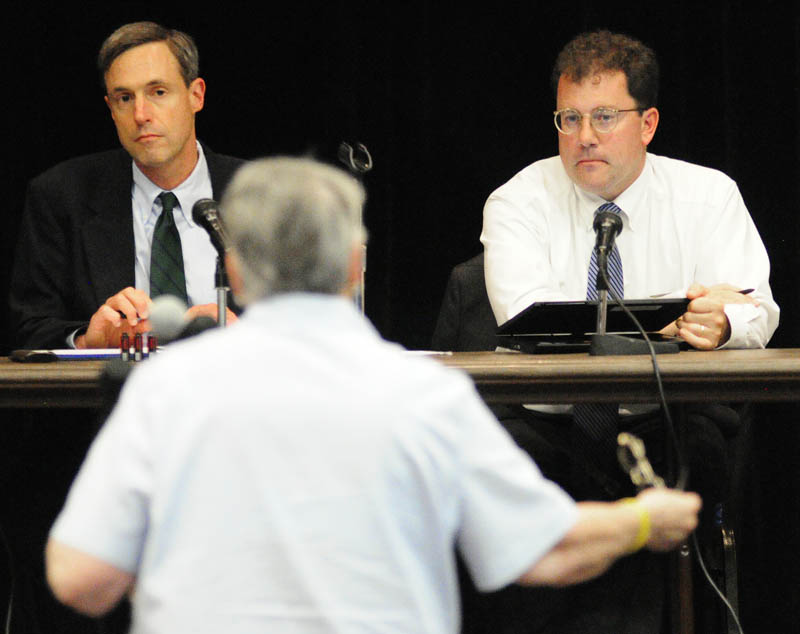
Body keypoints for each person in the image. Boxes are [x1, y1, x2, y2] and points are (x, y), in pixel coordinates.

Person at [45, 156, 700, 634]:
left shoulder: (164, 391)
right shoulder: (423, 394)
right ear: (356, 262)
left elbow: (80, 578)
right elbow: (545, 550)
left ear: (236, 267)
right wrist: (648, 518)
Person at [479, 30, 779, 632]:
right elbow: (531, 322)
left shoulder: (708, 195)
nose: (583, 136)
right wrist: (671, 315)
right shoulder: (516, 200)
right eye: (570, 118)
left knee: (694, 458)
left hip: (665, 413)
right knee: (494, 469)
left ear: (648, 124)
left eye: (605, 117)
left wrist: (721, 322)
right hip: (550, 419)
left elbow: (758, 311)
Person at [9, 21, 243, 350]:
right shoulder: (61, 196)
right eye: (124, 98)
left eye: (158, 92)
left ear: (196, 95)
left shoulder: (265, 196)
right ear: (110, 109)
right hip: (113, 396)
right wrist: (90, 338)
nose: (141, 114)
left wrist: (244, 330)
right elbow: (28, 326)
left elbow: (313, 316)